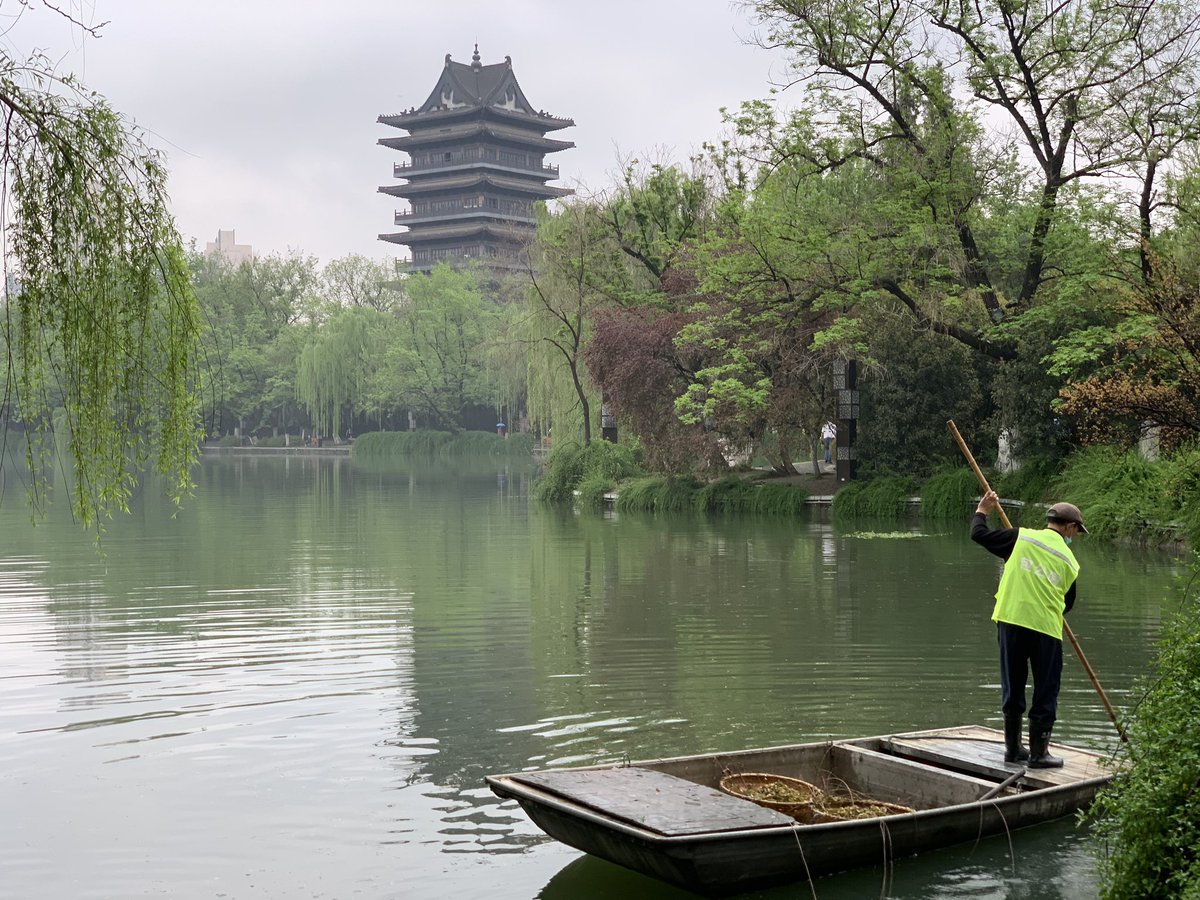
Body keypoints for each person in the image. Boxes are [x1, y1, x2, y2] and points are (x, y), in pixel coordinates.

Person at [971, 491, 1087, 768]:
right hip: (1045, 629)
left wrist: (982, 509)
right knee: (1046, 690)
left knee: (1013, 685)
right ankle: (1038, 754)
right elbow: (1066, 604)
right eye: (1076, 531)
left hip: (1010, 622)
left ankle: (1013, 750)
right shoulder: (1070, 562)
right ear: (1070, 528)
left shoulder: (1019, 537)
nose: (1075, 536)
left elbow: (979, 534)